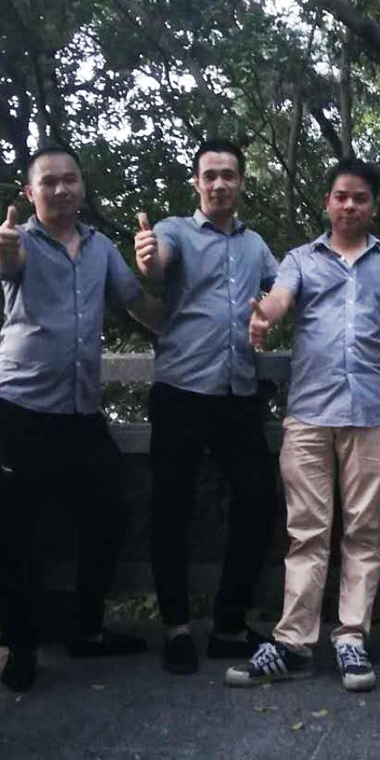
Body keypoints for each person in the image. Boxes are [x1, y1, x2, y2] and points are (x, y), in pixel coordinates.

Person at [224, 159, 380, 692]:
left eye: (360, 197)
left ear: (372, 205)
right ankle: (293, 644)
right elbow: (280, 298)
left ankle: (352, 637)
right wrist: (265, 315)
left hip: (371, 413)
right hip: (310, 413)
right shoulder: (300, 259)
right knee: (307, 532)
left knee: (363, 530)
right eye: (341, 196)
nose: (349, 205)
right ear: (327, 203)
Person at [0, 146, 161, 693]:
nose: (61, 189)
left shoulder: (100, 247)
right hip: (19, 407)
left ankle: (87, 628)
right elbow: (5, 259)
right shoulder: (19, 241)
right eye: (49, 182)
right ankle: (21, 645)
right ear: (30, 192)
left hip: (81, 410)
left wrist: (196, 326)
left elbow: (137, 303)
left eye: (70, 180)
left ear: (82, 187)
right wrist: (1, 247)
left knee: (107, 514)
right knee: (19, 528)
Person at [134, 140, 279, 675]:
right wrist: (148, 257)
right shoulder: (174, 231)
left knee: (258, 502)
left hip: (238, 394)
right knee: (170, 510)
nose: (219, 184)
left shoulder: (255, 245)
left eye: (229, 175)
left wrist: (270, 313)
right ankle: (176, 628)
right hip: (181, 393)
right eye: (210, 175)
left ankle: (228, 625)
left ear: (241, 182)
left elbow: (283, 290)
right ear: (196, 183)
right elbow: (157, 263)